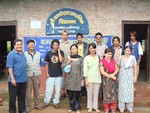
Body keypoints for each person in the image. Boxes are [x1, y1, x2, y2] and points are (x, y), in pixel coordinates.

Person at [6, 39, 27, 113]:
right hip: (14, 80)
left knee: (22, 97)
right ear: (14, 46)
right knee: (13, 97)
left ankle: (22, 110)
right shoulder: (11, 54)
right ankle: (12, 111)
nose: (19, 46)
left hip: (23, 80)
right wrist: (12, 78)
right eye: (17, 44)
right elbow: (10, 67)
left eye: (20, 44)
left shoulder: (23, 53)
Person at [42, 39, 64, 109]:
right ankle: (46, 101)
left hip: (59, 75)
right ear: (52, 45)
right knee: (49, 90)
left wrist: (58, 51)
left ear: (59, 46)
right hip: (51, 75)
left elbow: (61, 60)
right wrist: (47, 73)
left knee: (57, 90)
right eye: (54, 45)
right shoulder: (48, 53)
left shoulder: (61, 52)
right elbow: (46, 64)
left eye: (57, 45)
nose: (55, 46)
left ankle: (56, 102)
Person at [61, 44, 83, 113]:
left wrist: (82, 79)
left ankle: (77, 107)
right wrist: (68, 62)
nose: (73, 50)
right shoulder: (68, 58)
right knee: (70, 94)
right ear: (70, 50)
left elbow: (82, 69)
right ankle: (71, 106)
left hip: (78, 78)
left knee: (77, 94)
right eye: (72, 49)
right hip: (70, 78)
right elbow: (62, 66)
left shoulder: (81, 58)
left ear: (77, 50)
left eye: (75, 48)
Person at [24, 39, 42, 112]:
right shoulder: (24, 54)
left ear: (34, 45)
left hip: (37, 75)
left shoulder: (38, 54)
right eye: (30, 44)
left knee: (37, 92)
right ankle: (27, 106)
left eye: (33, 44)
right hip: (28, 75)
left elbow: (39, 63)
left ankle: (37, 105)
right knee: (28, 93)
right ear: (27, 46)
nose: (31, 45)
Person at [118, 46, 137, 113]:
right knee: (122, 91)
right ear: (124, 51)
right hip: (122, 76)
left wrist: (135, 77)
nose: (127, 52)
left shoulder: (133, 58)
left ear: (131, 51)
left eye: (129, 50)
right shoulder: (120, 57)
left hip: (130, 76)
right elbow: (118, 67)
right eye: (126, 50)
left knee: (129, 91)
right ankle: (121, 107)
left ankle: (130, 108)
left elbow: (135, 67)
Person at [83, 43, 102, 113]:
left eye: (93, 48)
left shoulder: (98, 57)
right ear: (89, 49)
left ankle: (96, 107)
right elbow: (85, 69)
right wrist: (86, 79)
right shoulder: (86, 58)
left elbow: (100, 67)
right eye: (90, 48)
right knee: (89, 93)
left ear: (95, 49)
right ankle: (90, 107)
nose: (92, 49)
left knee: (96, 94)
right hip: (89, 78)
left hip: (97, 78)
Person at [100, 48, 119, 113]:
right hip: (106, 80)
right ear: (105, 54)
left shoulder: (113, 61)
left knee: (114, 93)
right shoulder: (102, 61)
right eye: (108, 54)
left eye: (110, 54)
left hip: (113, 80)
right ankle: (106, 108)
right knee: (106, 93)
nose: (109, 55)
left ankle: (113, 108)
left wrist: (113, 75)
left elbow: (117, 69)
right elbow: (102, 72)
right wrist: (110, 76)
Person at [60, 30, 72, 99]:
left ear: (68, 36)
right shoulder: (59, 43)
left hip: (68, 63)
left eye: (66, 35)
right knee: (61, 78)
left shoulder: (70, 44)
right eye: (63, 35)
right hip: (61, 64)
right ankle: (63, 93)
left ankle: (69, 92)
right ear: (62, 35)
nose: (64, 36)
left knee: (69, 78)